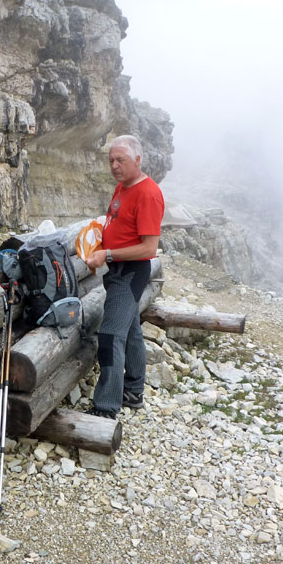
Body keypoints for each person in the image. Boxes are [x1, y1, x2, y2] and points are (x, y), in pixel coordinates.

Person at [85, 135, 165, 419]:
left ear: (138, 160)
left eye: (121, 160)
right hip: (118, 269)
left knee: (110, 336)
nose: (115, 166)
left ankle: (106, 408)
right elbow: (117, 223)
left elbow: (149, 248)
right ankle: (133, 390)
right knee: (130, 331)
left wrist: (106, 254)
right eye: (111, 161)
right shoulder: (122, 187)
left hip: (130, 273)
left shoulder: (148, 194)